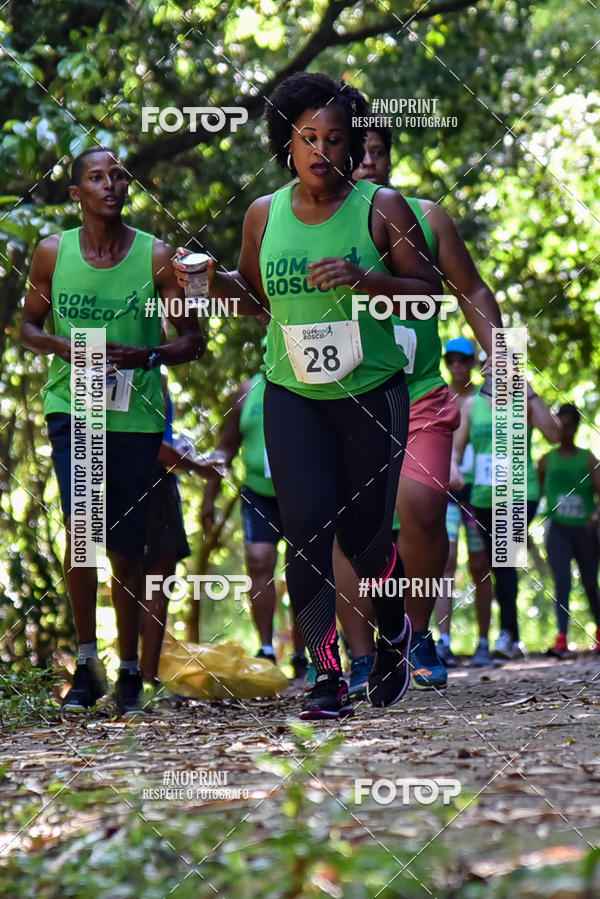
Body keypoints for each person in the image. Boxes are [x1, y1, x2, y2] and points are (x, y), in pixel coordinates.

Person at [175, 73, 442, 718]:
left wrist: (363, 277)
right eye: (308, 138)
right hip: (292, 389)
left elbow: (429, 291)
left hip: (371, 390)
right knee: (307, 530)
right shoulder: (264, 215)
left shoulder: (382, 208)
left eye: (335, 139)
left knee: (367, 535)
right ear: (287, 143)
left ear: (352, 147)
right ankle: (326, 677)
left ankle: (394, 635)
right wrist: (207, 283)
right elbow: (254, 297)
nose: (322, 150)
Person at [20, 147, 204, 714]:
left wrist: (147, 355)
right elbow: (26, 328)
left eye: (118, 176)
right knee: (82, 526)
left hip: (135, 414)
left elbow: (191, 342)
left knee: (126, 550)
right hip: (72, 407)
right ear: (76, 195)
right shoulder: (52, 252)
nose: (110, 185)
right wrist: (72, 350)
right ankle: (85, 663)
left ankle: (127, 671)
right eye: (96, 178)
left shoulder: (156, 257)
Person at [333, 126, 503, 695]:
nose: (369, 163)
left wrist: (501, 356)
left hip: (420, 391)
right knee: (347, 526)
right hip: (343, 394)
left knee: (424, 508)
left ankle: (416, 634)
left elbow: (471, 291)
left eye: (378, 152)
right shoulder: (315, 222)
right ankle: (360, 657)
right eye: (358, 154)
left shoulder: (427, 217)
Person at [200, 367, 308, 679]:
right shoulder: (247, 391)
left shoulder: (307, 386)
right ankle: (265, 647)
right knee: (259, 561)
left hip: (300, 492)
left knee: (301, 569)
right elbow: (226, 447)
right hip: (259, 494)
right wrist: (209, 498)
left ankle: (303, 652)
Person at [450, 378, 561, 660]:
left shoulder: (524, 400)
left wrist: (531, 391)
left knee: (505, 557)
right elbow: (457, 447)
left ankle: (508, 634)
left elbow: (553, 434)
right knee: (499, 564)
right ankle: (513, 636)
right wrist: (454, 467)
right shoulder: (471, 405)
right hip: (485, 496)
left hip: (521, 492)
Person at [141, 386, 222, 686]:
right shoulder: (150, 378)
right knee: (155, 585)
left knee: (136, 582)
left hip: (119, 481)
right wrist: (197, 466)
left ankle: (134, 676)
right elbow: (157, 448)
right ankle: (145, 678)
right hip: (154, 487)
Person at [435, 338, 494, 668]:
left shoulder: (487, 397)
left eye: (464, 359)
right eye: (451, 359)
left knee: (481, 566)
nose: (457, 365)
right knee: (445, 563)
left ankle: (485, 641)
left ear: (473, 362)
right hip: (446, 495)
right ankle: (443, 641)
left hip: (481, 495)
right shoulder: (439, 396)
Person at [538, 403, 600, 657]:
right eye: (560, 426)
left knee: (589, 582)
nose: (564, 431)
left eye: (569, 426)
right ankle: (562, 637)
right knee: (562, 582)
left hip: (584, 531)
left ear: (576, 428)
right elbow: (537, 493)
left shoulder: (588, 459)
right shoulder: (545, 460)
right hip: (558, 530)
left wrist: (595, 516)